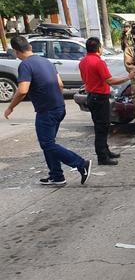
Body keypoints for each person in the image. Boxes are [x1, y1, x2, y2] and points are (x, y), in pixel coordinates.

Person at [3, 36, 92, 186]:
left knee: (47, 144)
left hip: (47, 111)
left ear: (17, 52)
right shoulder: (46, 61)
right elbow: (60, 84)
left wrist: (11, 106)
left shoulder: (25, 65)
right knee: (49, 143)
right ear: (30, 47)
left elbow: (23, 90)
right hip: (59, 107)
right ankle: (56, 176)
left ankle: (81, 164)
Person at [79, 37, 135, 165]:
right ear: (98, 48)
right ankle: (102, 157)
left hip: (92, 96)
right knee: (101, 128)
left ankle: (105, 151)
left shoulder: (83, 61)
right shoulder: (98, 62)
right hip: (99, 98)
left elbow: (85, 79)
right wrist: (128, 77)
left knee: (102, 126)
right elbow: (110, 80)